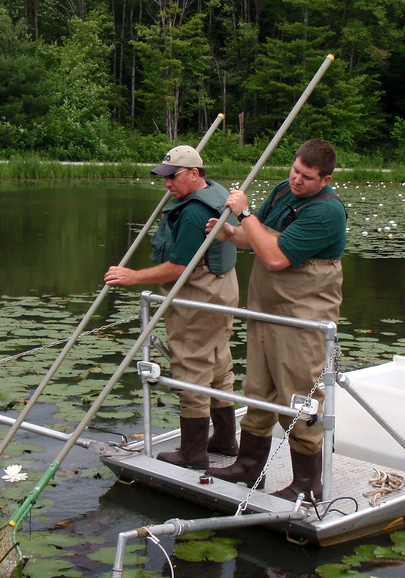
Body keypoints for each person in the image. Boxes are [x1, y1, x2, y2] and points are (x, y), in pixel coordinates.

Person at [202, 139, 346, 501]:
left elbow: (277, 258)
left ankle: (307, 484)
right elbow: (258, 237)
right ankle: (249, 467)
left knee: (299, 395)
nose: (297, 181)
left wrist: (245, 215)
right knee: (258, 390)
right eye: (295, 171)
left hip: (301, 319)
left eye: (307, 177)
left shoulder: (327, 212)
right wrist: (230, 233)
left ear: (325, 179)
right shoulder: (284, 191)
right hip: (266, 311)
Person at [105, 145, 239, 469]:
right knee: (218, 360)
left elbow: (181, 267)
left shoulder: (194, 212)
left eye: (173, 177)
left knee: (191, 364)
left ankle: (193, 453)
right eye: (164, 177)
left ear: (195, 174)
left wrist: (134, 276)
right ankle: (224, 438)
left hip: (199, 294)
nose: (167, 184)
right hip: (223, 289)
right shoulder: (213, 193)